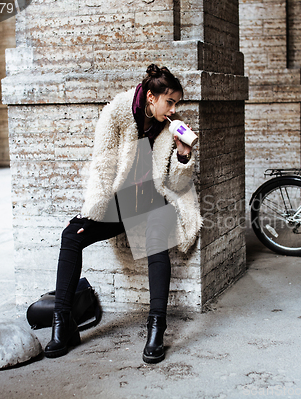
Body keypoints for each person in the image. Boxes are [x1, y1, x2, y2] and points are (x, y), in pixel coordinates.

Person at [44, 64, 202, 363]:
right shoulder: (117, 113)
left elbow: (177, 184)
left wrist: (183, 154)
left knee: (158, 240)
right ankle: (62, 324)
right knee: (71, 235)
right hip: (120, 201)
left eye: (176, 103)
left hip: (153, 199)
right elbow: (102, 166)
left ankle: (157, 327)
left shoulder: (171, 126)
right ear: (152, 97)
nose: (173, 109)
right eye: (170, 102)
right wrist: (89, 215)